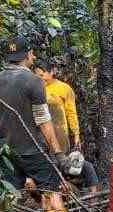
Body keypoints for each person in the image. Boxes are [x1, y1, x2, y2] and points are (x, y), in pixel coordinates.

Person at [0, 38, 68, 212]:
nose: (34, 56)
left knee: (11, 200)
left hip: (4, 153)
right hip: (32, 151)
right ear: (27, 55)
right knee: (51, 196)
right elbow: (43, 120)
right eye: (32, 53)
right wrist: (58, 152)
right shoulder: (34, 81)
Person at [33, 58, 99, 192]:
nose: (40, 78)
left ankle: (75, 192)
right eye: (36, 75)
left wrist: (76, 135)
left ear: (51, 72)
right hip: (40, 135)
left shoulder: (64, 89)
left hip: (61, 136)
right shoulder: (34, 89)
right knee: (48, 165)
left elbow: (71, 113)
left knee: (66, 164)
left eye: (42, 75)